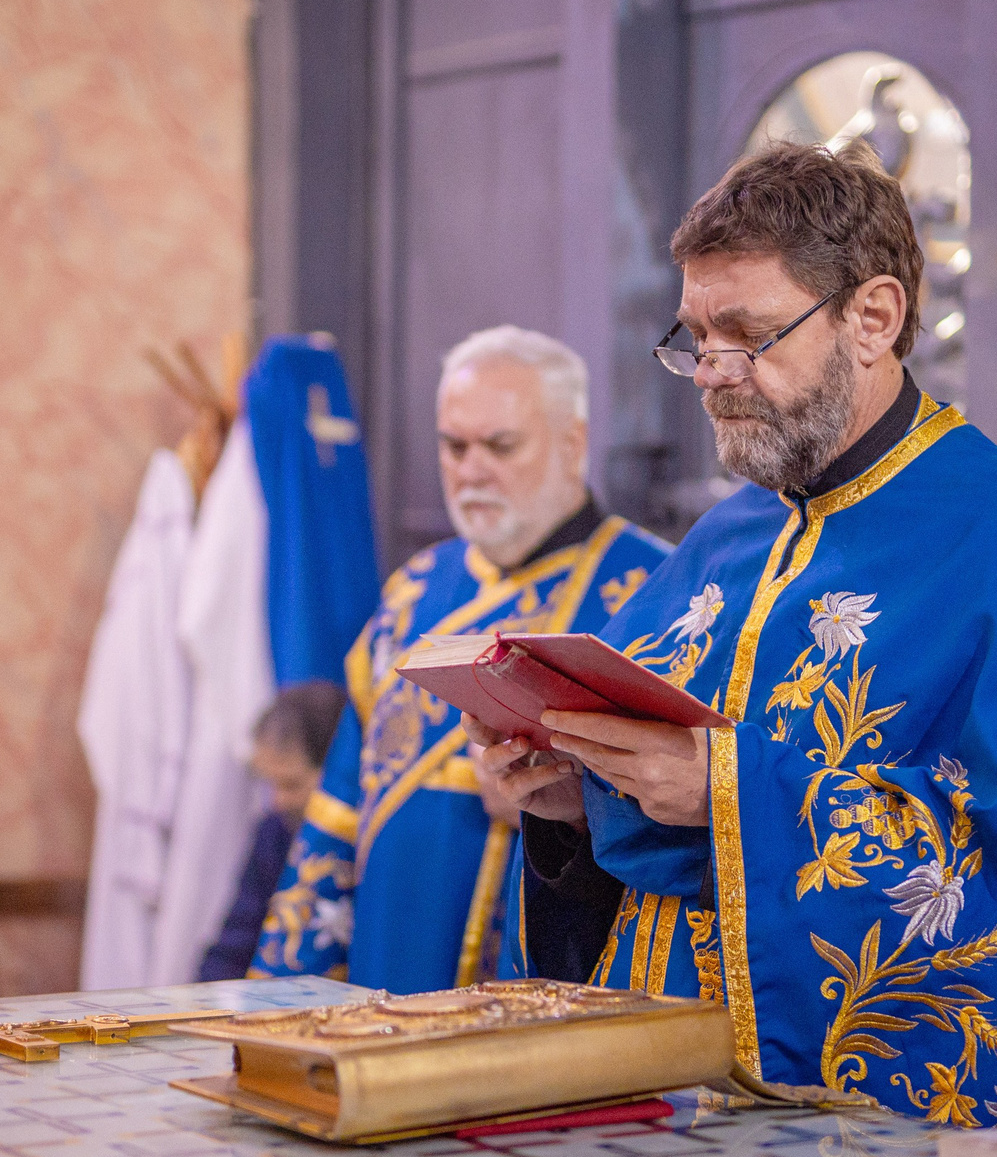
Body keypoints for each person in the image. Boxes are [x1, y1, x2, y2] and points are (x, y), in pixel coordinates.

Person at [476, 142, 997, 1125]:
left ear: (873, 318)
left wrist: (726, 790)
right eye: (694, 338)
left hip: (848, 1154)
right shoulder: (722, 540)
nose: (712, 374)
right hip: (661, 1114)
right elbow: (661, 824)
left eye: (747, 335)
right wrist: (571, 805)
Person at [251, 327, 669, 990]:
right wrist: (285, 995)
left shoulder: (655, 592)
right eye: (454, 445)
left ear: (573, 442)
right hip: (387, 987)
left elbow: (683, 824)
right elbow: (338, 812)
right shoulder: (412, 593)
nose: (471, 468)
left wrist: (570, 810)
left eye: (501, 445)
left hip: (555, 990)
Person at [197, 682, 344, 982]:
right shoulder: (275, 831)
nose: (278, 800)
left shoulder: (364, 840)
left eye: (291, 784)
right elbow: (236, 941)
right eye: (271, 784)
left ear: (336, 773)